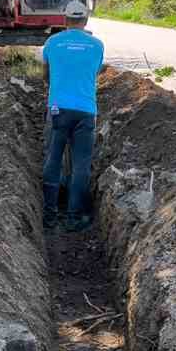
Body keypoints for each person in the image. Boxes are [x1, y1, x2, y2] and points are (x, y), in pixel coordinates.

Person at [40, 24, 104, 232]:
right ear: (85, 20)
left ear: (66, 19)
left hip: (58, 109)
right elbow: (94, 72)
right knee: (81, 165)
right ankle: (74, 217)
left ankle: (49, 216)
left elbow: (46, 76)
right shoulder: (97, 45)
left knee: (54, 158)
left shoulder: (52, 42)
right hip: (85, 111)